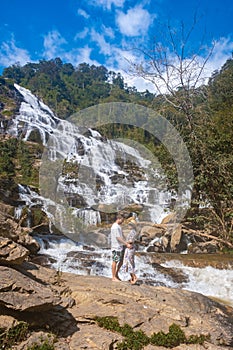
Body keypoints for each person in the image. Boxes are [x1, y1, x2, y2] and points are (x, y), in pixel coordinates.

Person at [110, 214, 131, 282]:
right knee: (115, 261)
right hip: (116, 247)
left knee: (121, 261)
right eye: (122, 220)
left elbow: (121, 237)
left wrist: (126, 242)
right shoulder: (115, 227)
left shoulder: (118, 226)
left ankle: (116, 274)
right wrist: (126, 244)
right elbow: (118, 237)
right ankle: (113, 277)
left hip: (120, 247)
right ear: (119, 219)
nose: (123, 221)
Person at [122, 220, 138, 284]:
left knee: (130, 262)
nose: (128, 226)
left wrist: (124, 243)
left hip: (130, 248)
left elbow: (131, 241)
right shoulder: (132, 232)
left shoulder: (133, 232)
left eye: (130, 225)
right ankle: (131, 277)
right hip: (129, 248)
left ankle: (134, 277)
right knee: (128, 262)